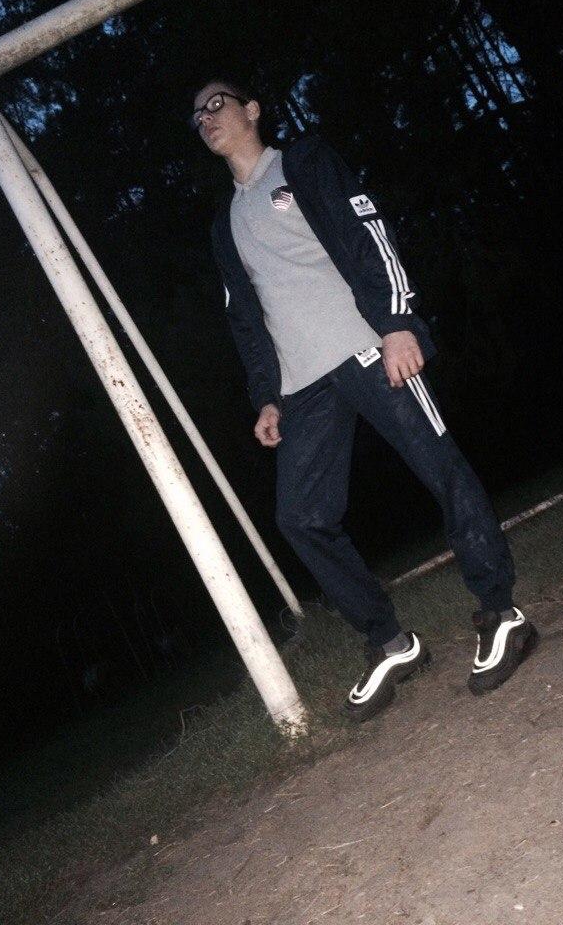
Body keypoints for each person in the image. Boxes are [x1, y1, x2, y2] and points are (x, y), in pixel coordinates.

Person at [193, 78, 538, 721]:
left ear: (252, 110)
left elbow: (367, 233)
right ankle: (391, 642)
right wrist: (266, 398)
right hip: (302, 386)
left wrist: (397, 323)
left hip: (367, 350)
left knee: (441, 469)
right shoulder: (224, 225)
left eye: (217, 104)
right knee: (301, 516)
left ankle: (502, 612)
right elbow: (245, 318)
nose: (205, 117)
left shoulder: (303, 163)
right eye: (197, 115)